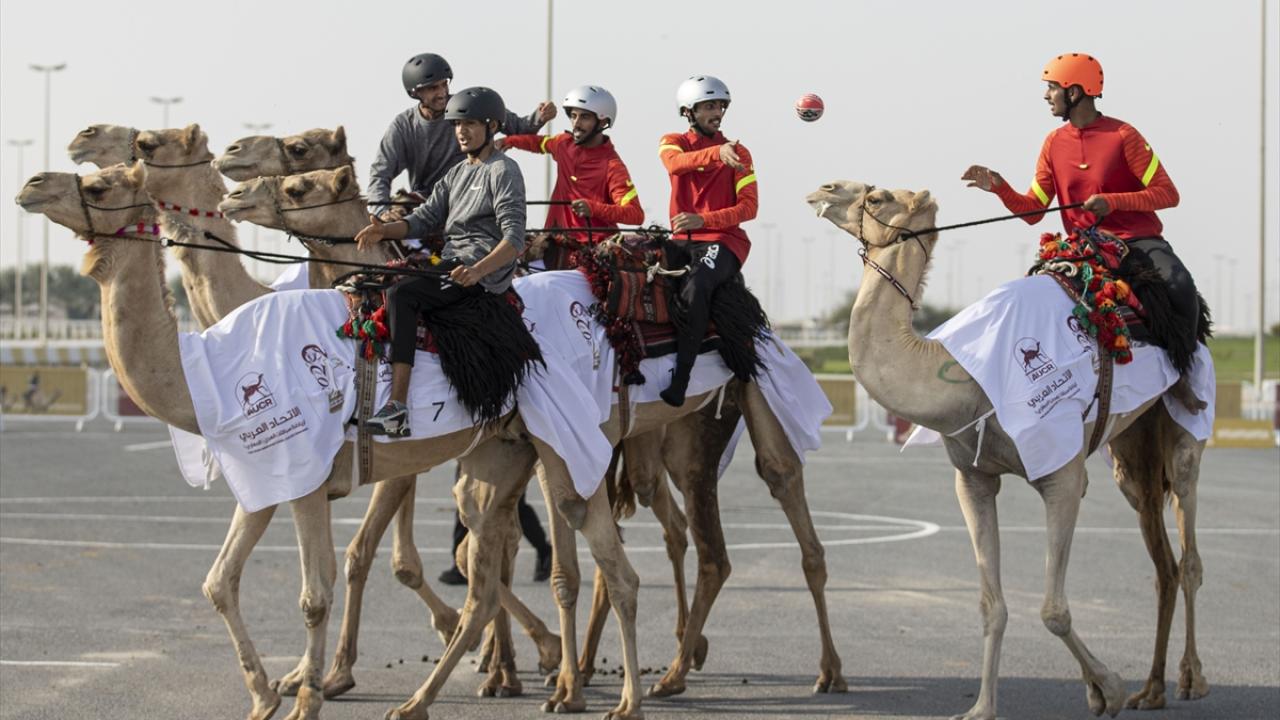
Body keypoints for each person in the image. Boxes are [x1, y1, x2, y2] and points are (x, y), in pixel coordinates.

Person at [961, 53, 1201, 367]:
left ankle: (1187, 369)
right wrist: (1000, 188)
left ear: (1073, 93)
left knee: (1181, 286)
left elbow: (1168, 194)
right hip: (1083, 250)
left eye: (1051, 88)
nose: (1046, 96)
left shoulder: (1124, 136)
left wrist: (1113, 201)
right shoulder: (1052, 143)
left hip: (1137, 243)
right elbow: (1034, 210)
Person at [355, 87, 526, 436]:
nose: (461, 131)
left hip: (478, 274)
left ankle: (397, 408)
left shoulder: (503, 171)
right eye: (456, 124)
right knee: (373, 283)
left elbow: (514, 240)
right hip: (450, 262)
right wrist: (384, 231)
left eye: (471, 123)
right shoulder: (457, 173)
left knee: (403, 294)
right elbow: (423, 219)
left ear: (492, 125)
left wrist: (478, 271)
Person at [369, 53, 555, 249]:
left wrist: (539, 118)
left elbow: (519, 127)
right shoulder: (403, 126)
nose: (441, 92)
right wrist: (382, 212)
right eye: (433, 88)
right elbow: (380, 172)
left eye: (444, 84)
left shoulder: (471, 106)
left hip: (473, 195)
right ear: (415, 92)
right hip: (426, 204)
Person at [656, 75, 758, 406]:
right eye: (709, 106)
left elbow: (749, 208)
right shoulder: (672, 141)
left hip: (724, 241)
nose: (717, 112)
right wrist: (716, 153)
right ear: (689, 112)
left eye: (720, 106)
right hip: (680, 240)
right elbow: (674, 164)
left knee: (697, 284)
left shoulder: (740, 152)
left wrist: (705, 220)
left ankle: (681, 379)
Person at [500, 85, 644, 268]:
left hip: (591, 255)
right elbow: (539, 143)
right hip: (552, 246)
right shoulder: (563, 144)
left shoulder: (613, 166)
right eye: (573, 116)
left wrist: (594, 208)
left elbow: (635, 214)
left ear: (602, 122)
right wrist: (507, 142)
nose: (576, 123)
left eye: (584, 117)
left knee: (533, 287)